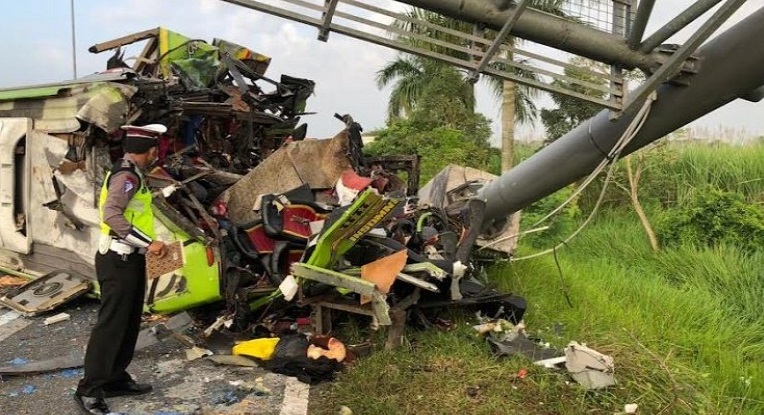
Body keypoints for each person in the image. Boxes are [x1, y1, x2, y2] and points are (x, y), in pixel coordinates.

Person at [74, 124, 169, 415]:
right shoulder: (126, 175)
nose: (156, 153)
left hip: (130, 259)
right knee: (112, 324)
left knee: (128, 322)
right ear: (148, 150)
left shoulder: (132, 172)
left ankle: (114, 378)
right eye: (154, 149)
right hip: (118, 259)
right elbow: (112, 215)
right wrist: (149, 242)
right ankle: (89, 389)